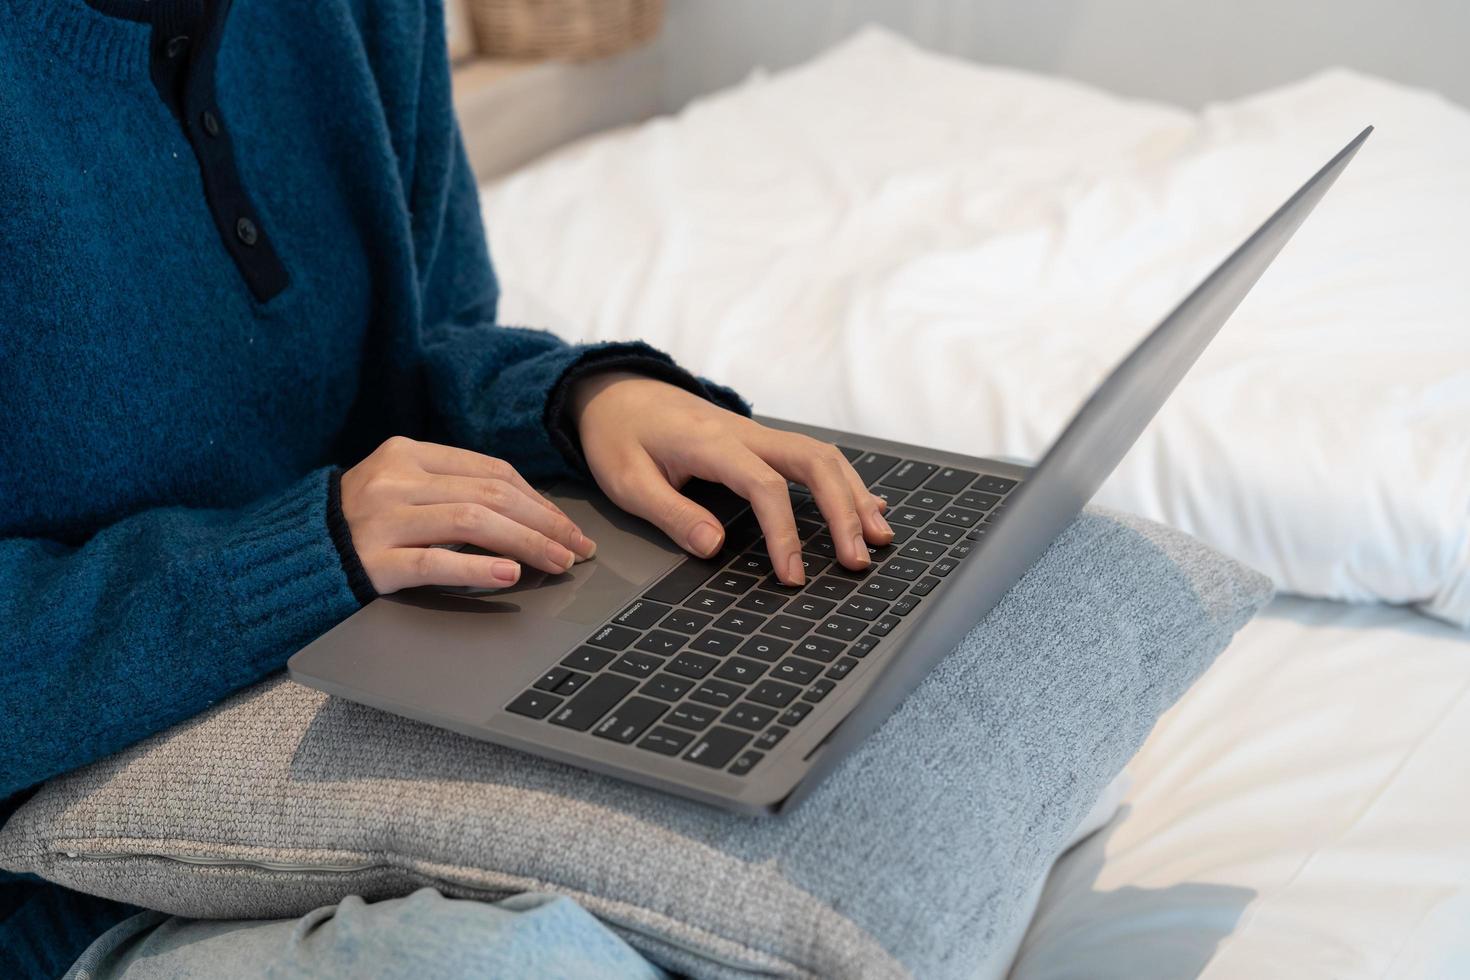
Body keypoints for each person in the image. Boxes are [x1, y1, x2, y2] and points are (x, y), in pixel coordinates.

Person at [0, 0, 893, 973]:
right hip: (72, 872)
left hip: (389, 654)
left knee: (902, 686)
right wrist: (302, 549)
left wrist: (577, 399)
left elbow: (428, 345)